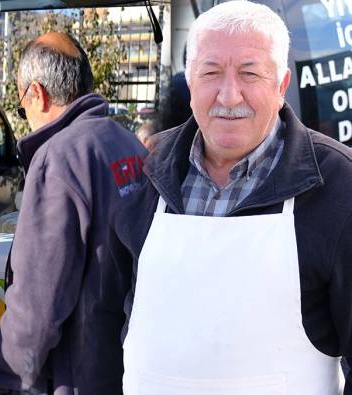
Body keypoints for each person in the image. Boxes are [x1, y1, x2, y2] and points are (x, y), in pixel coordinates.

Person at [111, 1, 351, 393]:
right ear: (190, 84)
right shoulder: (147, 174)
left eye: (249, 73)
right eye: (211, 73)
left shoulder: (339, 184)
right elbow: (106, 318)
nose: (228, 95)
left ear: (281, 86)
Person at [0, 32, 148, 394]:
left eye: (22, 103)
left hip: (77, 376)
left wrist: (1, 370)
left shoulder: (58, 158)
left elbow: (37, 303)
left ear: (36, 94)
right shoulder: (128, 144)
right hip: (126, 368)